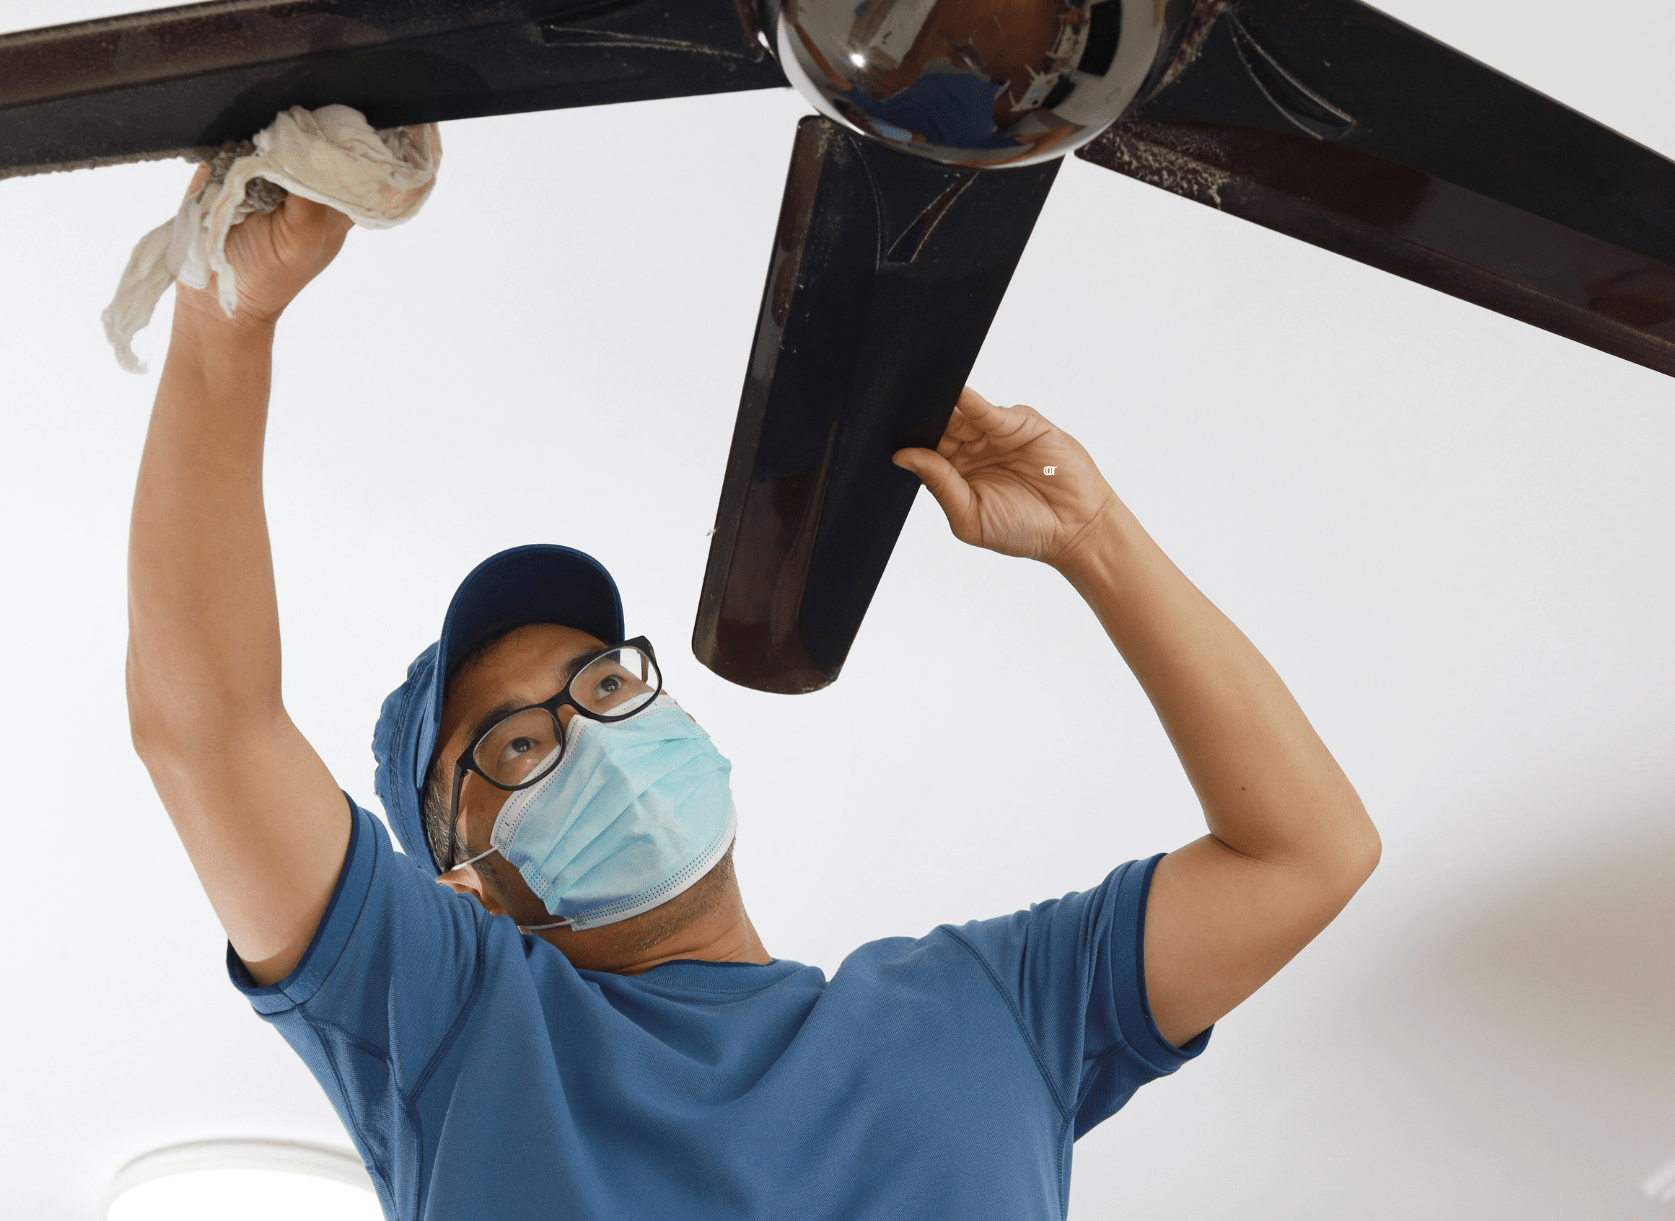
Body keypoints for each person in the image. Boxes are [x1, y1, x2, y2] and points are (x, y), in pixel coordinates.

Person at [126, 174, 1382, 1219]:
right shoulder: (465, 1032)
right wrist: (223, 322)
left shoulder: (991, 1010)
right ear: (468, 883)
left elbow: (1308, 853)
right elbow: (209, 733)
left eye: (607, 680)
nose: (595, 736)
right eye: (515, 745)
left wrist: (1093, 536)